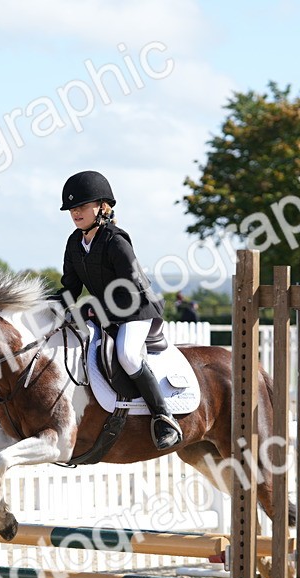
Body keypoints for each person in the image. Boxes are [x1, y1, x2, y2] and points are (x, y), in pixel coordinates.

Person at [54, 170, 182, 450]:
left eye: (81, 207)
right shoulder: (75, 243)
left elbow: (131, 287)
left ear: (101, 207)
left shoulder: (115, 240)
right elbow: (69, 288)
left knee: (126, 353)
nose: (75, 213)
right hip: (107, 310)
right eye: (72, 209)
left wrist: (95, 308)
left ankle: (163, 418)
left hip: (137, 308)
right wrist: (46, 308)